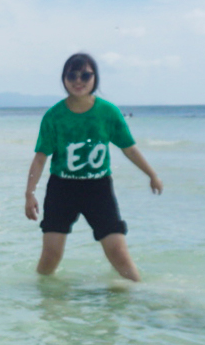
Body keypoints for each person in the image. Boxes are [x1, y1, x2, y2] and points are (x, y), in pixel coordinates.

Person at [24, 53, 162, 282]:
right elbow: (40, 157)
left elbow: (129, 148)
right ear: (64, 78)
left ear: (95, 78)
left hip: (98, 189)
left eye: (85, 75)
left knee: (118, 253)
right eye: (72, 75)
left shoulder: (108, 112)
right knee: (51, 256)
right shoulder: (54, 116)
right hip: (62, 189)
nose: (79, 80)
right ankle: (43, 301)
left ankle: (139, 297)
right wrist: (29, 193)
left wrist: (152, 174)